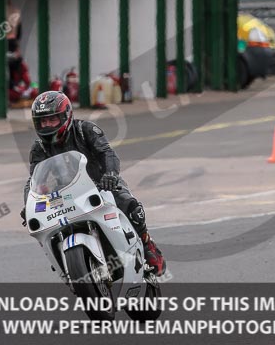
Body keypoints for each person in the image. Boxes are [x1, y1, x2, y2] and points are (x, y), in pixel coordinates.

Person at [21, 91, 166, 276]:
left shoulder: (85, 130)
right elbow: (34, 179)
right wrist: (29, 203)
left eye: (52, 119)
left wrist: (111, 174)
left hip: (102, 184)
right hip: (66, 195)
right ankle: (64, 262)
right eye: (43, 121)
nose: (47, 125)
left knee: (130, 206)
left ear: (66, 115)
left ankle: (147, 245)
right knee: (44, 225)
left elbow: (107, 153)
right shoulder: (39, 148)